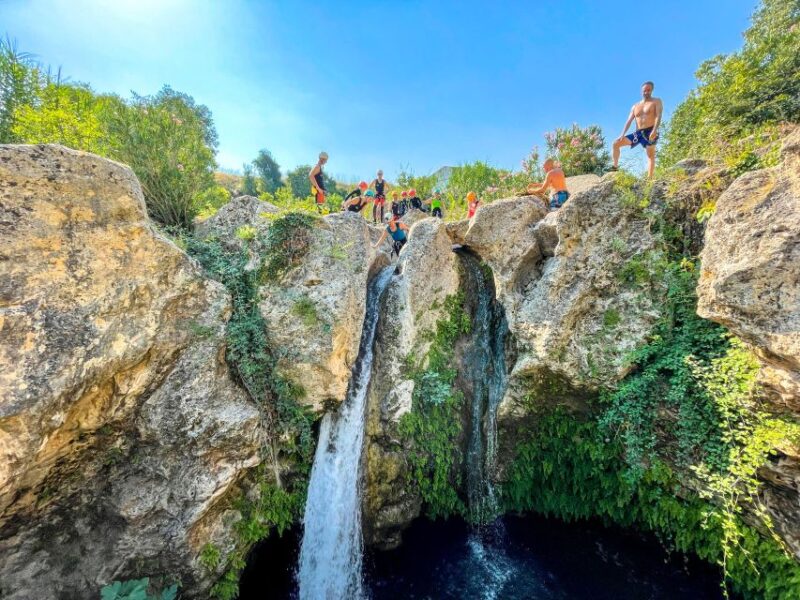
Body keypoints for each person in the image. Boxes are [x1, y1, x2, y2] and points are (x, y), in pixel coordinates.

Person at [610, 81, 663, 177]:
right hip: (638, 133)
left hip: (650, 131)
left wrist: (655, 130)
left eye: (648, 90)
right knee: (616, 143)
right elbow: (629, 121)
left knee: (650, 155)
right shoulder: (635, 106)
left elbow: (658, 116)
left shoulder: (656, 101)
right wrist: (622, 134)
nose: (646, 92)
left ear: (652, 90)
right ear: (641, 91)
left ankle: (649, 179)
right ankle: (615, 167)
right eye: (644, 90)